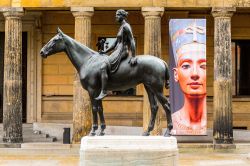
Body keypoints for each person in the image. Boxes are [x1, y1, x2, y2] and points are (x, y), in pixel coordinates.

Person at [169, 19, 207, 135]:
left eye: (203, 66)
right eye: (186, 66)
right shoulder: (173, 120)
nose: (194, 74)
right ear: (175, 74)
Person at [95, 9, 137, 100]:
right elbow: (114, 44)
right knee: (104, 63)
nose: (116, 17)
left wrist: (133, 56)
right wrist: (104, 52)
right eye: (116, 15)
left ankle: (104, 91)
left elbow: (132, 40)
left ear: (123, 16)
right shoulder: (121, 27)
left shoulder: (126, 26)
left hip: (122, 51)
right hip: (118, 50)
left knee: (103, 67)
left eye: (118, 15)